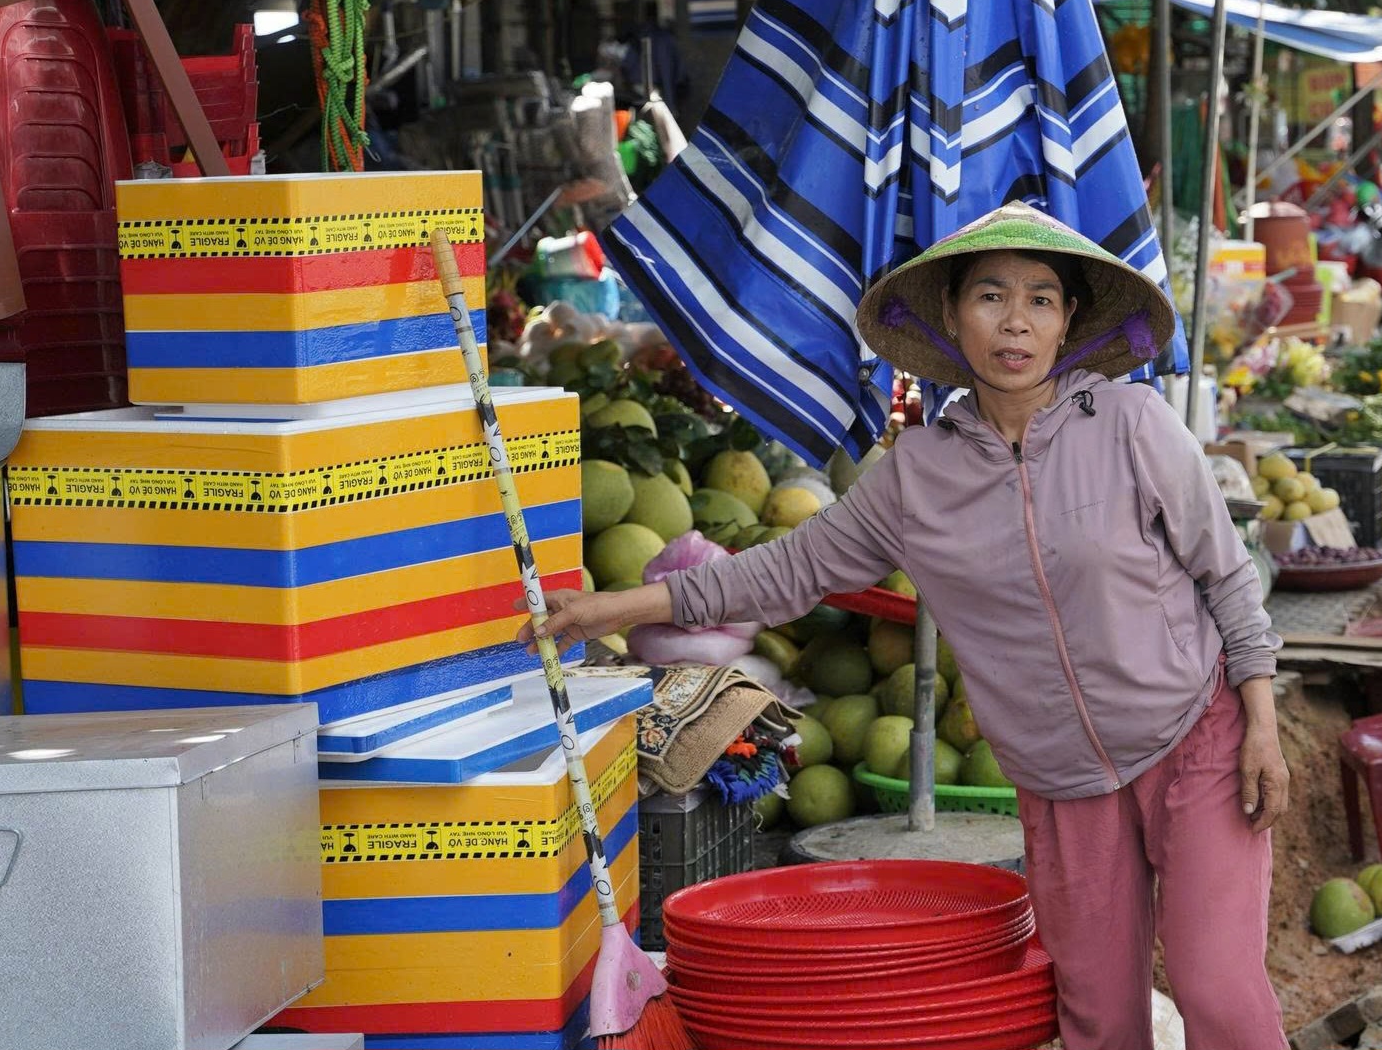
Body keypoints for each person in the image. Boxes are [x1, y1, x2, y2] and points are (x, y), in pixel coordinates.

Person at [531, 202, 1291, 1050]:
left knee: (1216, 989)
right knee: (1100, 1020)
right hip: (1061, 783)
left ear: (1069, 320)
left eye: (1041, 299)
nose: (1016, 320)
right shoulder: (917, 475)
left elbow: (1227, 574)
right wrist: (612, 608)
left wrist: (1261, 724)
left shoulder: (1133, 425)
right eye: (991, 295)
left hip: (1195, 738)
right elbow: (782, 572)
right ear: (952, 317)